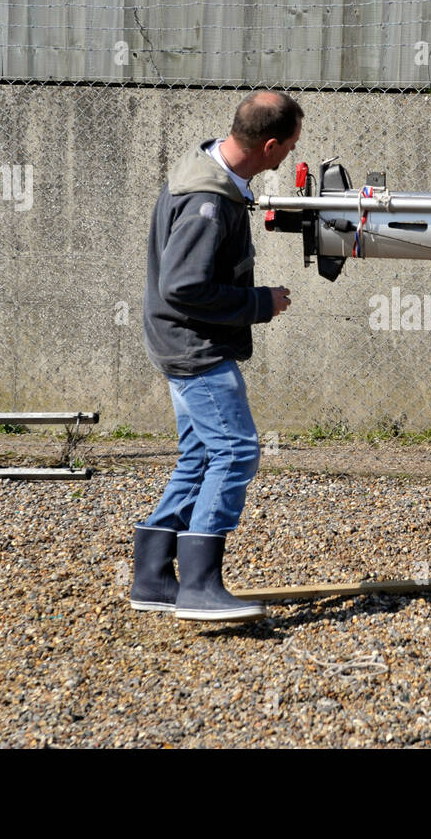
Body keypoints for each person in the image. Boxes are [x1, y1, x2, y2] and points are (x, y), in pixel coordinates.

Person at [131, 90, 301, 622]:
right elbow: (184, 286)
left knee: (200, 455)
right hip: (196, 348)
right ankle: (201, 585)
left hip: (177, 341)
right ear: (269, 145)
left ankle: (154, 577)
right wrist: (259, 303)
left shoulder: (205, 176)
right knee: (236, 452)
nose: (292, 156)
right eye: (290, 146)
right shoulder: (208, 202)